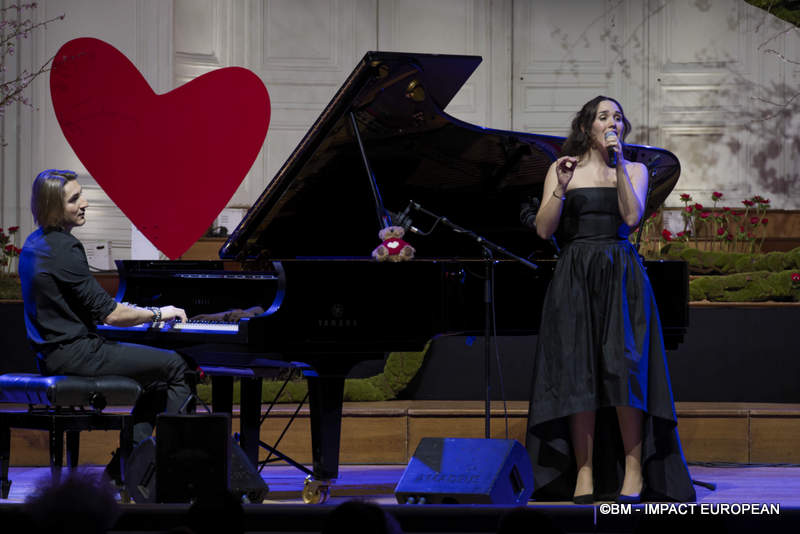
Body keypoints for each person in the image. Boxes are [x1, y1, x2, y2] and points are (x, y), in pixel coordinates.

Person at [525, 97, 695, 503]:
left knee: (626, 373)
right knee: (577, 375)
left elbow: (632, 217)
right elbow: (544, 231)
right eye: (604, 117)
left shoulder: (634, 168)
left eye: (617, 117)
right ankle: (583, 473)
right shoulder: (560, 168)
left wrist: (618, 165)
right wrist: (561, 189)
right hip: (574, 276)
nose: (612, 122)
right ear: (586, 127)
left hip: (621, 275)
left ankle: (633, 473)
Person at [18, 169, 192, 481]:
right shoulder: (64, 248)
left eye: (80, 194)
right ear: (53, 207)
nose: (85, 202)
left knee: (155, 379)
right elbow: (111, 315)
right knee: (177, 366)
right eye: (74, 199)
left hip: (53, 355)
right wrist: (158, 313)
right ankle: (169, 468)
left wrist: (134, 313)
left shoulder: (34, 243)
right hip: (78, 354)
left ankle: (129, 466)